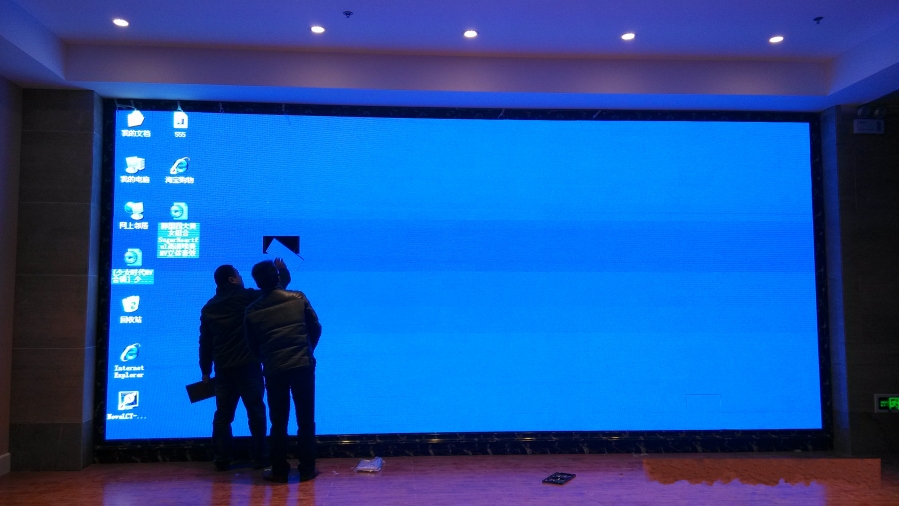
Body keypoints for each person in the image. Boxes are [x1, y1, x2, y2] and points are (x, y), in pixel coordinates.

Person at [198, 258, 290, 471]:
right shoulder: (247, 297)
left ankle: (221, 459)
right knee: (256, 412)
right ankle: (261, 458)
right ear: (232, 279)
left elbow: (205, 342)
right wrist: (282, 270)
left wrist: (205, 371)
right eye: (238, 275)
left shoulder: (208, 308)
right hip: (248, 366)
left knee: (223, 415)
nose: (241, 278)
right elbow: (276, 289)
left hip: (223, 369)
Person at [245, 260, 322, 483]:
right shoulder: (298, 298)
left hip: (274, 370)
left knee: (278, 422)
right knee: (306, 420)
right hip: (303, 366)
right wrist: (306, 350)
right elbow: (316, 327)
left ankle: (279, 471)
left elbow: (252, 346)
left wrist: (268, 358)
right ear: (278, 277)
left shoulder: (252, 310)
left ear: (257, 283)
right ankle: (307, 469)